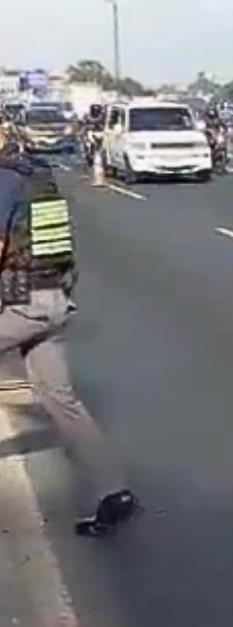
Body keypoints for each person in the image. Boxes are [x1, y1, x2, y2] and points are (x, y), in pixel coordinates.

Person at [0, 139, 140, 537]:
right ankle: (116, 494)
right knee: (59, 397)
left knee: (59, 398)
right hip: (54, 300)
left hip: (24, 303)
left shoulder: (2, 180)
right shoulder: (35, 175)